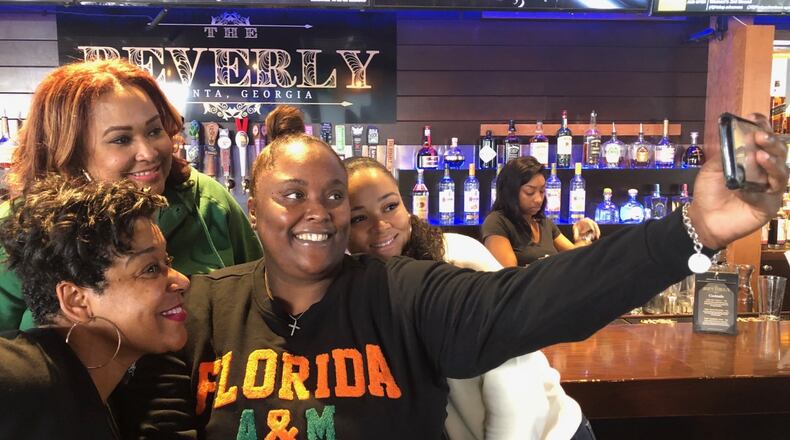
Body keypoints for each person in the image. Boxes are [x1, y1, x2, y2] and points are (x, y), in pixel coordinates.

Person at [123, 114, 786, 439]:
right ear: (252, 205)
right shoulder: (205, 305)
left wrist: (688, 232)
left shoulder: (402, 290)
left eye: (333, 197)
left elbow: (534, 301)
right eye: (292, 195)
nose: (317, 213)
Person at [0, 58, 262, 331]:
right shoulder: (19, 229)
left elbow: (258, 307)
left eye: (154, 130)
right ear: (68, 151)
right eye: (121, 140)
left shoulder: (208, 203)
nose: (149, 153)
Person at [344, 156, 590, 440]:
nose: (381, 225)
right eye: (359, 218)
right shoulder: (365, 289)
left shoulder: (457, 260)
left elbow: (515, 381)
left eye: (390, 206)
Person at [0, 175, 190, 439]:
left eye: (166, 261)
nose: (182, 281)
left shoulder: (93, 393)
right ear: (76, 301)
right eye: (150, 269)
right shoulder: (21, 377)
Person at [482, 156, 601, 267]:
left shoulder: (543, 222)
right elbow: (509, 276)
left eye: (542, 191)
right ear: (510, 192)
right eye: (530, 192)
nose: (538, 199)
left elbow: (575, 258)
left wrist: (583, 237)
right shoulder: (497, 222)